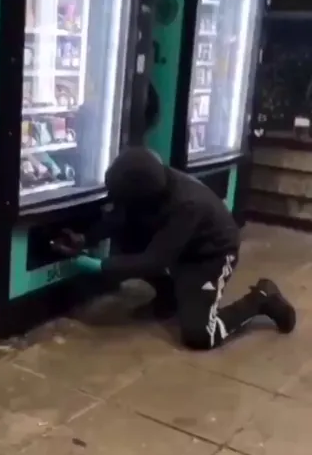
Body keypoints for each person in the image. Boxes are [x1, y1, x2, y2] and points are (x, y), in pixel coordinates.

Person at [56, 147, 296, 350]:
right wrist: (84, 239)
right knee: (128, 236)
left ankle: (262, 298)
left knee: (200, 336)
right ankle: (169, 297)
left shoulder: (187, 204)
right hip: (177, 245)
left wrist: (100, 266)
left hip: (210, 256)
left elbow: (155, 260)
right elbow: (119, 218)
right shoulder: (147, 185)